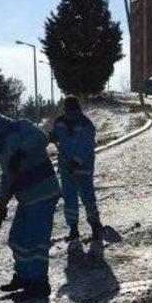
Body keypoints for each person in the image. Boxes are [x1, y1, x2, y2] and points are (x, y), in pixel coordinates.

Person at [0, 110, 60, 298]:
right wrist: (1, 203)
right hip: (27, 198)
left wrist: (22, 152)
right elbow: (8, 178)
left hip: (43, 192)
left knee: (36, 241)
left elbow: (42, 138)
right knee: (18, 238)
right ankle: (23, 276)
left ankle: (39, 282)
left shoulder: (21, 126)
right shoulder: (0, 146)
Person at [50, 95, 102, 242]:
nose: (71, 114)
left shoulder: (86, 125)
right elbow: (56, 135)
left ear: (78, 109)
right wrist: (52, 136)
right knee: (70, 200)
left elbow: (87, 146)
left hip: (83, 169)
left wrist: (77, 162)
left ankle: (95, 226)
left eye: (73, 110)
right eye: (68, 110)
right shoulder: (60, 123)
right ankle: (73, 229)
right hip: (66, 169)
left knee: (88, 198)